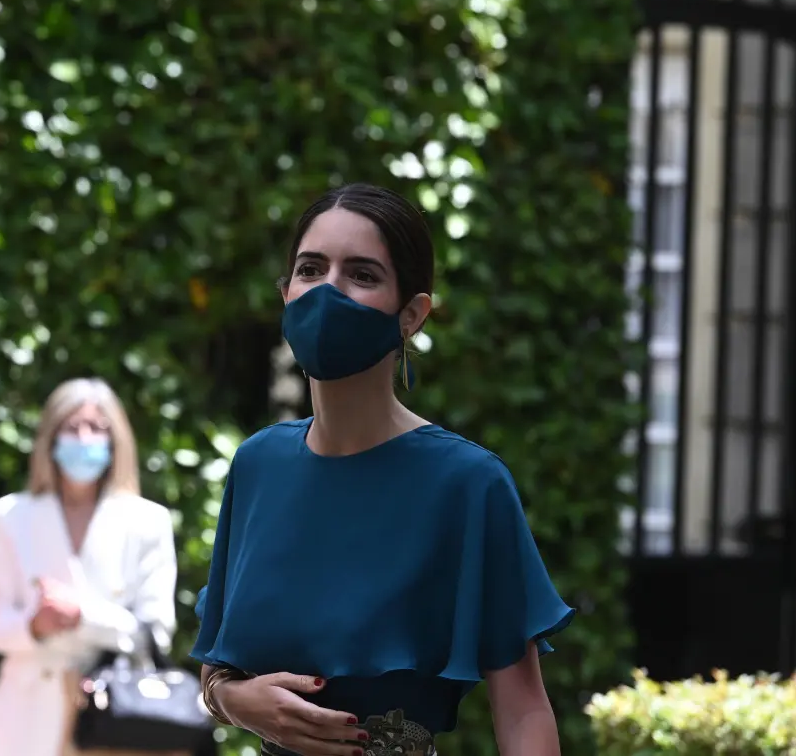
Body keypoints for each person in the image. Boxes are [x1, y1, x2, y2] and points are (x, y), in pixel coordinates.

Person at [191, 184, 574, 756]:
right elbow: (218, 663)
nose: (329, 291)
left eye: (362, 274)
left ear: (411, 314)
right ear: (286, 293)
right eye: (310, 269)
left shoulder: (468, 483)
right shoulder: (257, 464)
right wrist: (232, 700)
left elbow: (523, 710)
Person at [0, 378, 179, 756]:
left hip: (111, 717)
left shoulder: (147, 521)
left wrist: (83, 615)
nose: (84, 438)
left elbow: (156, 633)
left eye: (96, 427)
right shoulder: (10, 515)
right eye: (72, 427)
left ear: (115, 439)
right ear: (50, 438)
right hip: (25, 717)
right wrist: (34, 625)